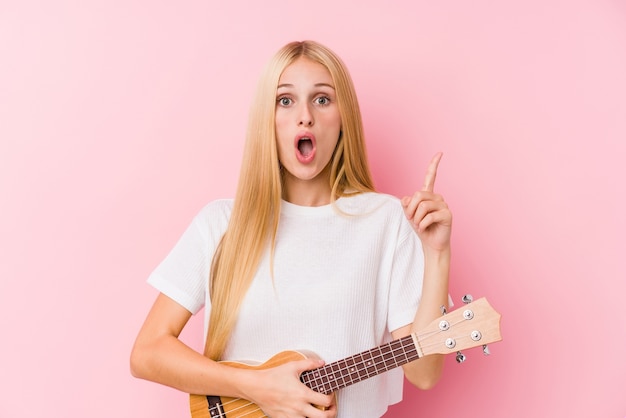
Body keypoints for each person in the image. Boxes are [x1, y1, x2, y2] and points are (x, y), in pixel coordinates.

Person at [130, 40, 452, 418]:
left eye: (322, 99)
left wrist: (437, 254)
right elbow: (147, 353)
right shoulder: (220, 224)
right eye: (285, 100)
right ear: (268, 119)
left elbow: (425, 373)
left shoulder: (388, 221)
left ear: (343, 116)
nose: (305, 117)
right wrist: (259, 388)